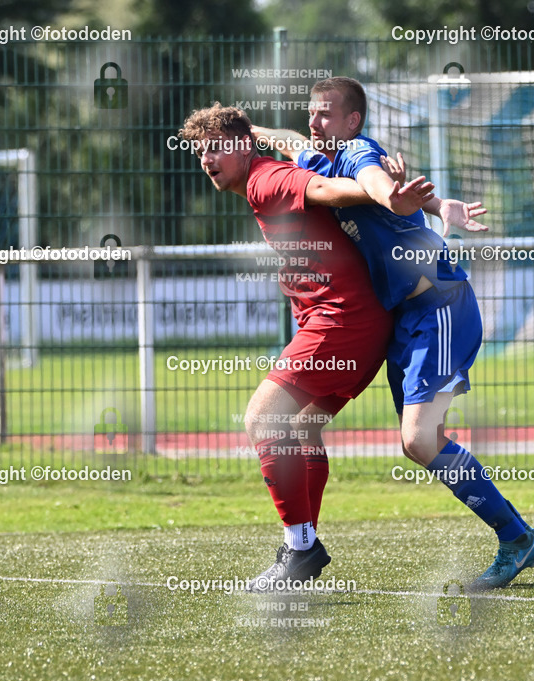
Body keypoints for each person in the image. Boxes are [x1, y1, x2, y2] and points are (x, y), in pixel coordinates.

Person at [253, 77, 534, 590]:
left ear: (352, 122)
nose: (314, 122)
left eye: (326, 114)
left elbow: (377, 184)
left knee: (419, 438)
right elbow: (291, 140)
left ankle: (517, 538)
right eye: (311, 112)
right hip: (405, 320)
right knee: (414, 443)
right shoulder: (319, 161)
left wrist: (397, 197)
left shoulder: (358, 152)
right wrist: (245, 129)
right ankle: (516, 536)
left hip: (439, 306)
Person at [178, 102, 435, 590]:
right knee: (301, 429)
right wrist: (252, 129)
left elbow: (322, 189)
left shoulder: (265, 180)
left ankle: (301, 550)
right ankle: (300, 545)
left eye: (216, 148)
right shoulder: (260, 169)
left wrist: (386, 196)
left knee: (263, 420)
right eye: (200, 152)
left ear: (243, 148)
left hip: (343, 323)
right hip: (358, 325)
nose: (206, 159)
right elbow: (296, 144)